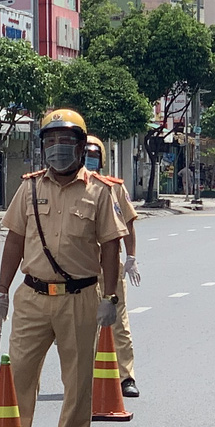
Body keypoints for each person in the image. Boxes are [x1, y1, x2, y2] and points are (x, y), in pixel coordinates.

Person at [0, 110, 126, 427]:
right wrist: (1, 292)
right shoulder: (30, 188)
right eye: (50, 142)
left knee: (79, 379)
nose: (58, 149)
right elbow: (14, 240)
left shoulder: (100, 191)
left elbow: (112, 246)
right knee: (18, 376)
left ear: (82, 147)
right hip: (32, 296)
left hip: (80, 297)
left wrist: (110, 298)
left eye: (66, 141)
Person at [85, 138, 142, 397]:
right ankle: (86, 377)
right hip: (78, 268)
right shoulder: (72, 186)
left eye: (94, 154)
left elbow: (128, 223)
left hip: (108, 267)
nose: (89, 158)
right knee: (81, 325)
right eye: (85, 153)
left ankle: (125, 377)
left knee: (118, 323)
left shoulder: (114, 188)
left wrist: (131, 256)